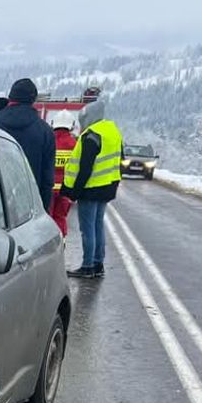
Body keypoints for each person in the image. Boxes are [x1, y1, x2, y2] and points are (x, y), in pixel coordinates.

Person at [61, 98, 123, 279]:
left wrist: (74, 192)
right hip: (107, 187)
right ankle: (98, 263)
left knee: (87, 228)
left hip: (91, 189)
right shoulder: (112, 132)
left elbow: (85, 168)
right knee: (97, 226)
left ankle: (87, 265)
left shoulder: (91, 135)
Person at [0, 79, 55, 207]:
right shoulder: (45, 132)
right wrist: (44, 211)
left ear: (10, 98)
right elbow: (47, 180)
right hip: (29, 209)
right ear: (33, 100)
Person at [50, 112, 78, 237]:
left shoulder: (48, 140)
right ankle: (61, 243)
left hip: (48, 188)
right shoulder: (75, 145)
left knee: (47, 219)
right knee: (60, 218)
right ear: (71, 126)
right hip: (65, 189)